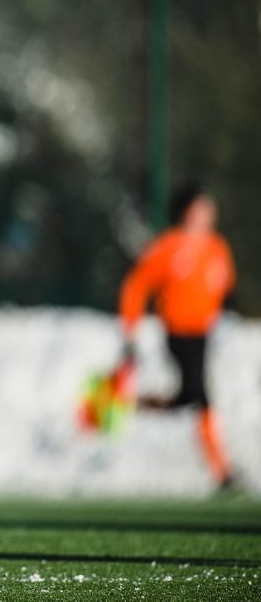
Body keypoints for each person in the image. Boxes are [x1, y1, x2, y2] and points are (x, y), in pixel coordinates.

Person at [118, 181, 238, 492]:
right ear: (187, 211)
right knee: (200, 396)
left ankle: (138, 404)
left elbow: (225, 288)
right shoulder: (168, 246)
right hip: (178, 333)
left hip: (205, 334)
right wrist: (130, 328)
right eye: (201, 207)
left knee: (190, 397)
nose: (208, 213)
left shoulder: (217, 248)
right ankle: (223, 473)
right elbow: (137, 285)